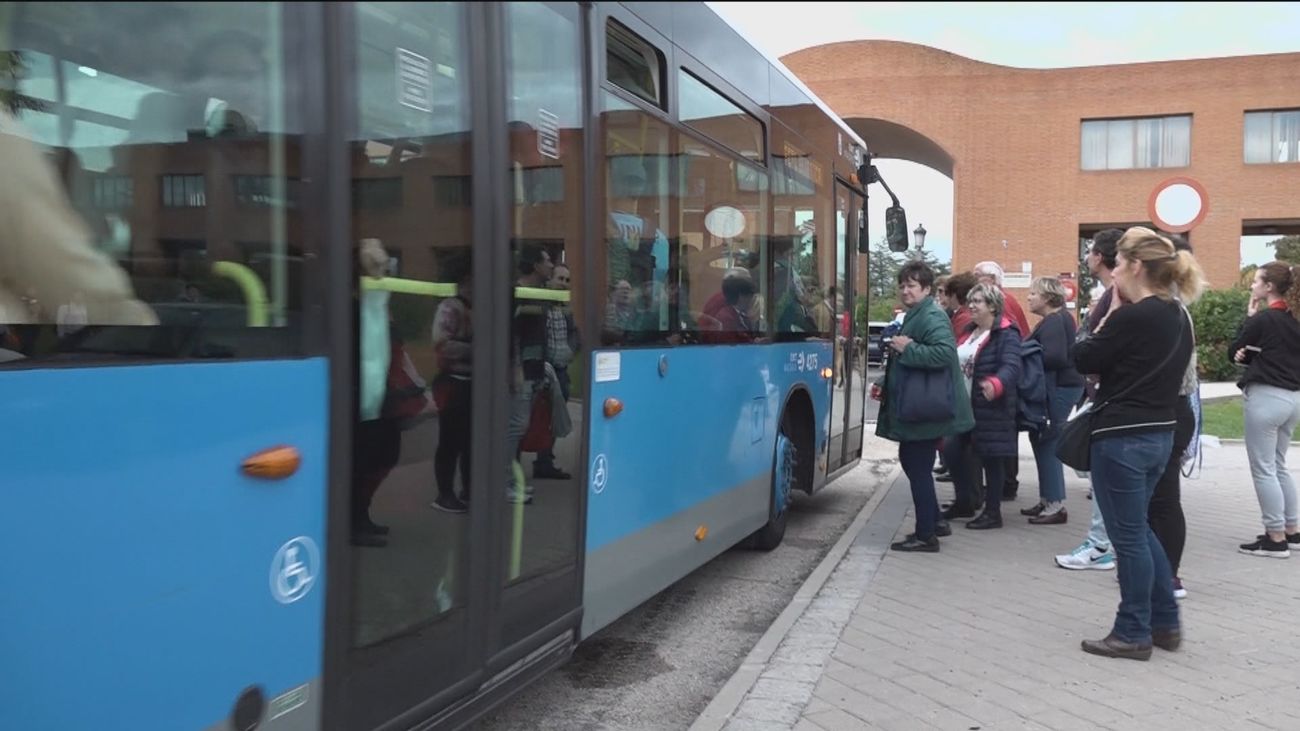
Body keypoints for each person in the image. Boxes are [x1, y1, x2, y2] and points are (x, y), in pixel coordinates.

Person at [1073, 226, 1203, 660]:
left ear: (1134, 266)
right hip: (1160, 433)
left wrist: (1102, 319)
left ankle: (1133, 630)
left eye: (1119, 264)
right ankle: (1165, 623)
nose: (1114, 272)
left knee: (1128, 538)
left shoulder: (1132, 316)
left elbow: (1083, 358)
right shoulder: (1178, 314)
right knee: (1140, 532)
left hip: (1122, 437)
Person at [877, 261, 975, 552]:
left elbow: (944, 354)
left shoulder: (930, 315)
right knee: (913, 462)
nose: (906, 291)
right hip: (922, 407)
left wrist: (909, 348)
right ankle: (934, 522)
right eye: (903, 285)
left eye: (912, 285)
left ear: (927, 289)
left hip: (924, 410)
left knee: (917, 466)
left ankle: (926, 535)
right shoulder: (919, 313)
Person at [1055, 228, 1124, 571]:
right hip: (1107, 398)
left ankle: (1101, 545)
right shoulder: (1112, 293)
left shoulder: (1117, 295)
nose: (1086, 257)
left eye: (1090, 251)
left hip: (1110, 400)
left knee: (1100, 472)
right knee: (1099, 473)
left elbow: (1090, 345)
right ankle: (1107, 542)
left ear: (1099, 256)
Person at [1231, 261, 1300, 558]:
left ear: (1269, 286)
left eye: (1257, 281)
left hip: (1266, 398)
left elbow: (1234, 349)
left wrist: (1249, 317)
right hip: (1293, 398)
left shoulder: (1263, 320)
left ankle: (1274, 538)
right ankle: (1292, 530)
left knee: (1263, 469)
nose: (1252, 286)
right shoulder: (1294, 319)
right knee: (1278, 464)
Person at [948, 282, 1021, 530]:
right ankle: (965, 502)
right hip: (963, 405)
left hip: (990, 406)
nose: (972, 306)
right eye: (971, 301)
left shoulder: (1006, 333)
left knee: (991, 459)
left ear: (992, 306)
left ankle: (993, 512)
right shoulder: (969, 331)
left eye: (977, 302)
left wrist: (996, 383)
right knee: (952, 452)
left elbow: (1012, 366)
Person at [1021, 276, 1085, 525]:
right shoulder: (1056, 320)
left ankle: (1056, 504)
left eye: (1033, 294)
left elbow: (1055, 357)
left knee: (1048, 439)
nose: (1029, 297)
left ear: (1047, 297)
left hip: (1059, 388)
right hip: (1062, 386)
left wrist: (1026, 354)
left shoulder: (1055, 321)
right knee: (1041, 438)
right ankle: (1048, 498)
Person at [972, 261, 1029, 502]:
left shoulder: (1003, 304)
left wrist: (997, 381)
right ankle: (1004, 485)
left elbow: (1011, 345)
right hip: (995, 381)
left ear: (992, 280)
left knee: (1001, 444)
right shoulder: (1003, 301)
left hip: (999, 384)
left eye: (979, 277)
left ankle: (1006, 486)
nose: (975, 281)